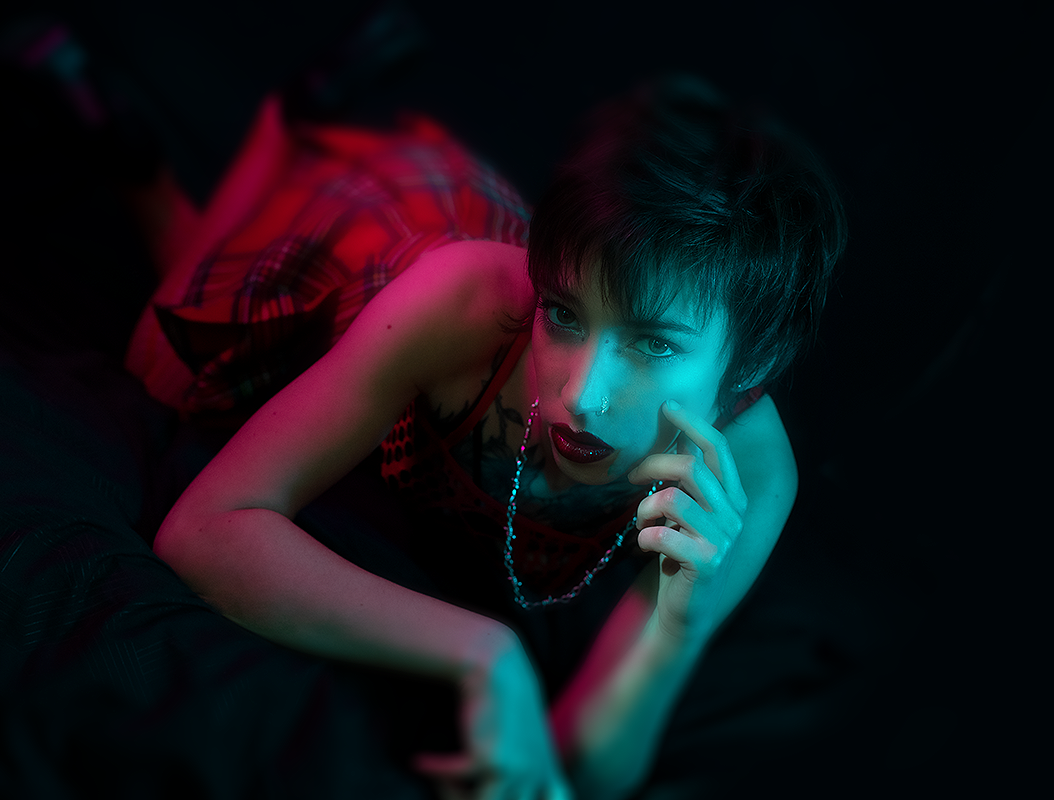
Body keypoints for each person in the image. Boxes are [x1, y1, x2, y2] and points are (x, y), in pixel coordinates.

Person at [130, 73, 846, 800]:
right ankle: (250, 134)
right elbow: (202, 531)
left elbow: (577, 777)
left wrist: (674, 629)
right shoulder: (466, 306)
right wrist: (483, 650)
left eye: (653, 345)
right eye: (563, 315)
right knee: (165, 355)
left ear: (748, 372)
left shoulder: (751, 475)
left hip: (559, 264)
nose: (582, 395)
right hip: (372, 235)